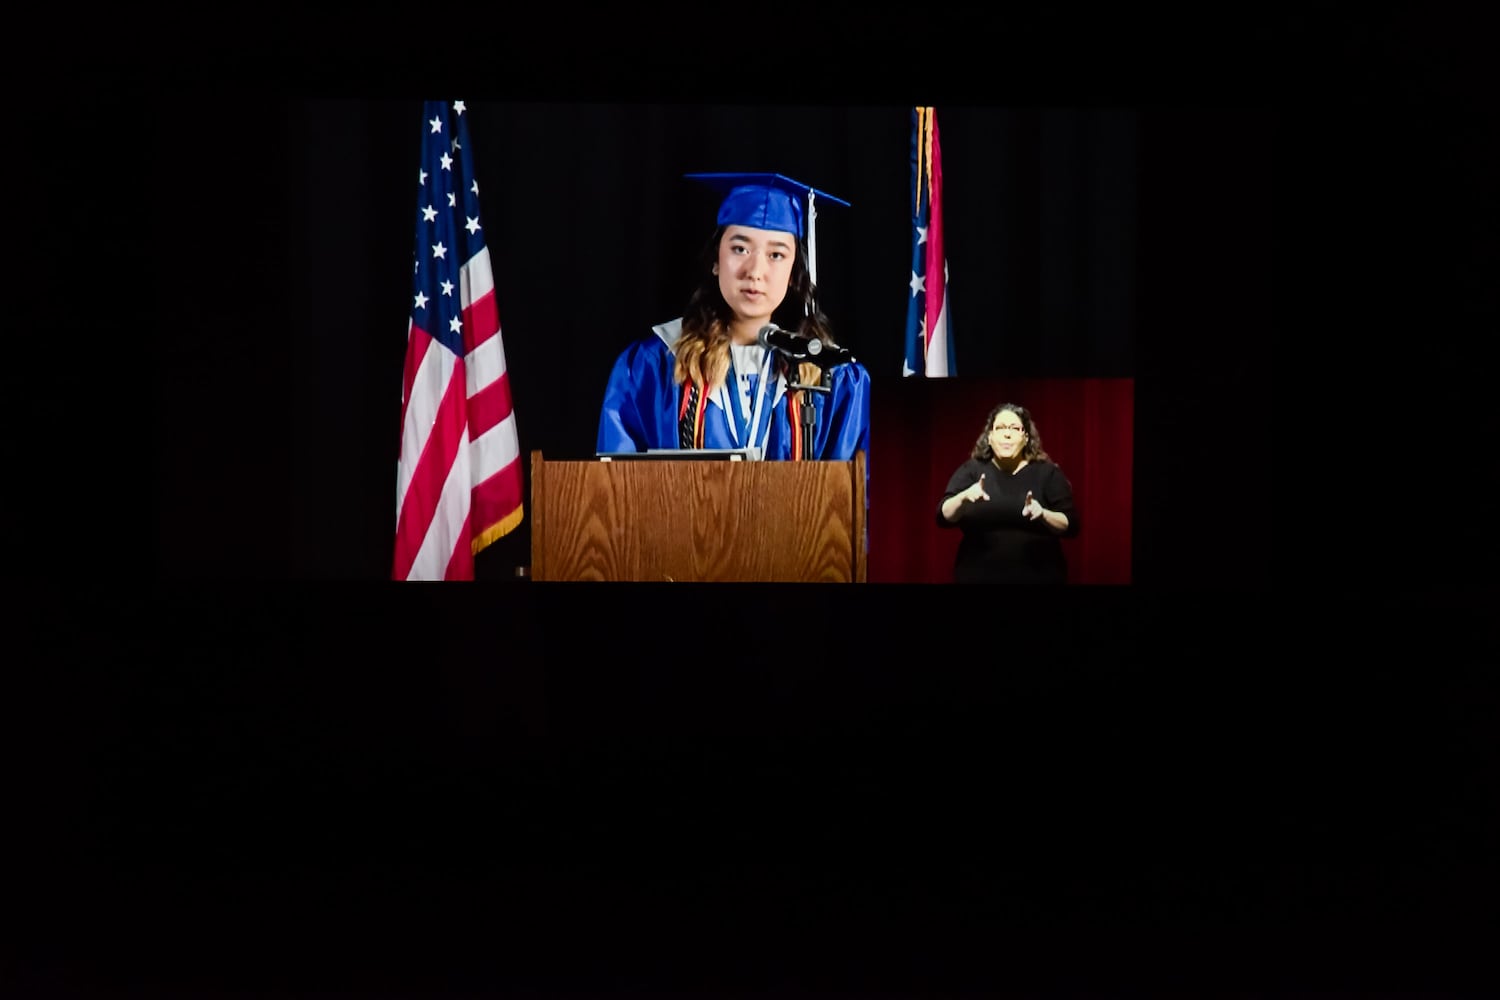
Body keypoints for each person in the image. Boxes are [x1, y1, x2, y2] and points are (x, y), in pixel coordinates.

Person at [597, 172, 871, 462]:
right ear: (716, 260)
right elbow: (618, 486)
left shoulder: (831, 379)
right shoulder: (653, 367)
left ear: (795, 273)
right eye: (740, 249)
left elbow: (850, 495)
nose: (755, 271)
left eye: (776, 255)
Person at [936, 402, 1080, 584]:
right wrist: (963, 498)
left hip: (1039, 577)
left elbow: (1071, 525)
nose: (1007, 433)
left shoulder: (1047, 473)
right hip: (977, 576)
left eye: (1014, 428)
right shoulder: (971, 470)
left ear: (1026, 437)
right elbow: (942, 516)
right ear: (990, 437)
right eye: (1000, 428)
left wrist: (1043, 514)